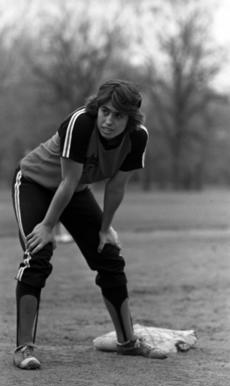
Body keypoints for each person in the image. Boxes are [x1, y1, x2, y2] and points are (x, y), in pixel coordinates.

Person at [12, 79, 167, 370]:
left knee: (108, 256)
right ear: (98, 109)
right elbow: (67, 180)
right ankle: (23, 348)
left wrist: (105, 228)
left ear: (130, 119)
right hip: (34, 183)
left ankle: (126, 342)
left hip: (75, 192)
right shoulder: (81, 123)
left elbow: (116, 187)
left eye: (118, 115)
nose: (108, 120)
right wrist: (47, 225)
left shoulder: (137, 138)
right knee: (38, 255)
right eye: (105, 111)